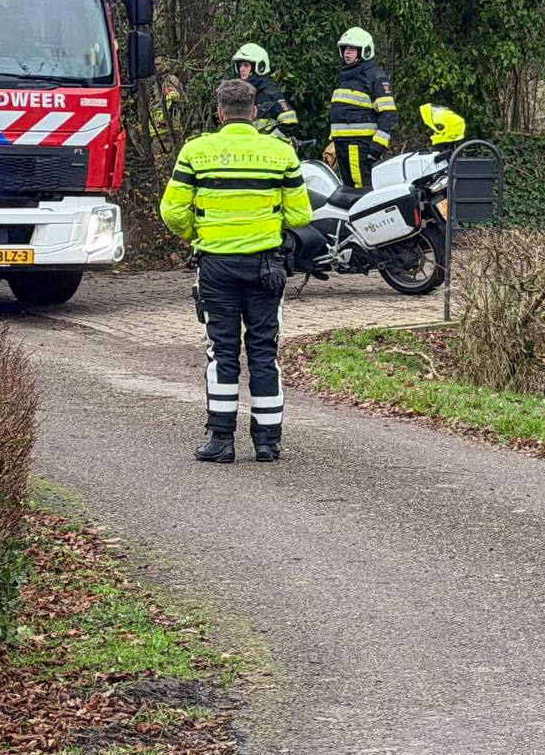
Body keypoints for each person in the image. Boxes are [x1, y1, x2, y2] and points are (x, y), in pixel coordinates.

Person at [159, 79, 312, 463]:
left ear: (220, 113)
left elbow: (172, 211)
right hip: (266, 266)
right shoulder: (281, 153)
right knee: (264, 351)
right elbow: (300, 215)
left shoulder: (196, 152)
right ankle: (267, 442)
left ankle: (221, 440)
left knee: (222, 351)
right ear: (255, 112)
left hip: (216, 266)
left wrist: (199, 233)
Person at [327, 26, 397, 189]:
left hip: (360, 147)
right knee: (348, 191)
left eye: (352, 49)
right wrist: (333, 141)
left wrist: (376, 148)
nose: (347, 53)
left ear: (364, 51)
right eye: (345, 49)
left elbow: (388, 115)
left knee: (362, 193)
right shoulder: (345, 77)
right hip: (342, 146)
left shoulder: (375, 76)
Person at [230, 43, 299, 137]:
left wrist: (269, 141)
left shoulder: (271, 94)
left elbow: (290, 123)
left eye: (246, 65)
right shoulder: (241, 93)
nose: (242, 69)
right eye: (240, 65)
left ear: (260, 67)